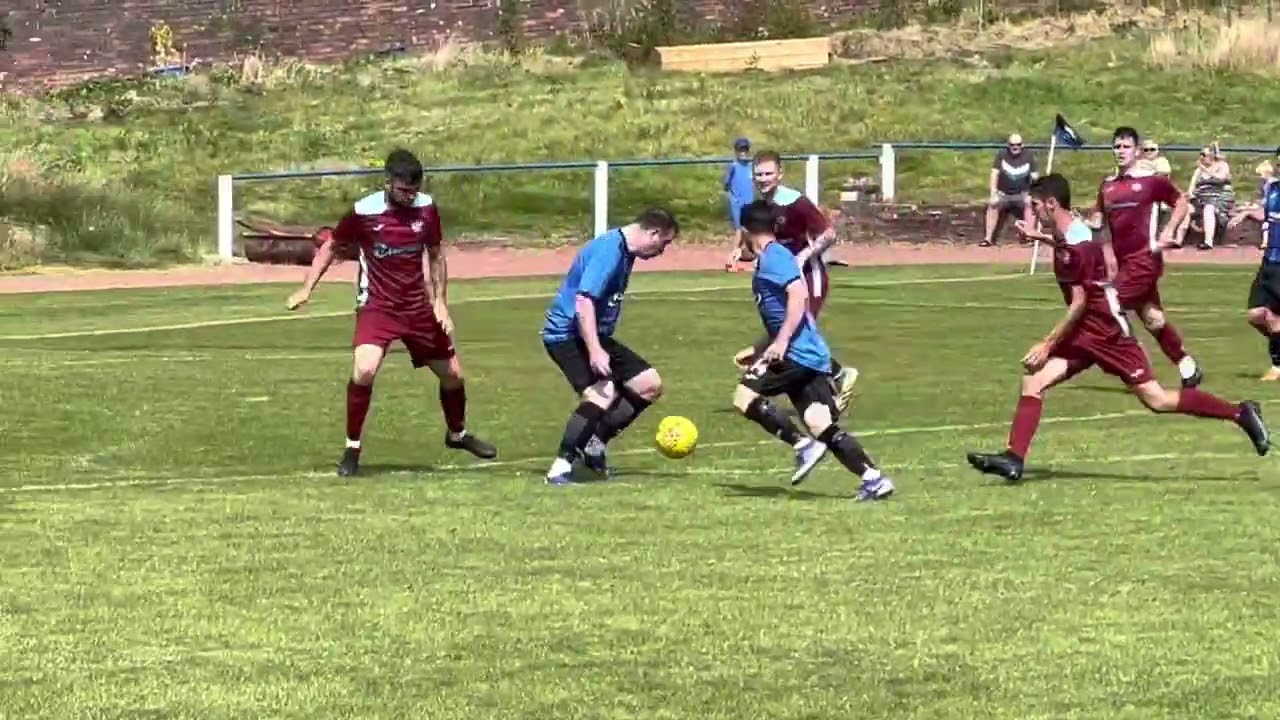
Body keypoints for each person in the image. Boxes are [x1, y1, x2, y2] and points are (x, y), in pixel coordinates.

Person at [969, 174, 1270, 483]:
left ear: (1051, 203)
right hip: (1085, 331)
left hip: (1105, 331)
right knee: (1033, 382)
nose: (1032, 211)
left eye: (1035, 206)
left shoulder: (1076, 240)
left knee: (1157, 399)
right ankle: (1014, 459)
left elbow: (1079, 301)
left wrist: (1047, 343)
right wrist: (1040, 237)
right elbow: (1075, 250)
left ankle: (1241, 413)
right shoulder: (1070, 232)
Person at [286, 149, 497, 477]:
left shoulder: (426, 209)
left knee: (453, 376)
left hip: (417, 307)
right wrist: (306, 288)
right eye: (403, 190)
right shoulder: (364, 212)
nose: (409, 196)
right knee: (364, 370)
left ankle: (457, 435)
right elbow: (331, 246)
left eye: (414, 190)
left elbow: (436, 255)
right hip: (378, 306)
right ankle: (352, 448)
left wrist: (440, 302)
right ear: (388, 183)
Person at [731, 200, 894, 500]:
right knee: (819, 422)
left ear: (746, 230)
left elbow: (798, 296)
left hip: (795, 354)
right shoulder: (772, 258)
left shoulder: (775, 257)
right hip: (810, 355)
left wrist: (781, 343)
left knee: (744, 397)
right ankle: (874, 478)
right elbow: (779, 314)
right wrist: (759, 347)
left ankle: (801, 445)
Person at [541, 208, 680, 485]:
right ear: (653, 234)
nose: (661, 252)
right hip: (567, 335)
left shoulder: (624, 250)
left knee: (648, 384)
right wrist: (594, 350)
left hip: (592, 334)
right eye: (664, 244)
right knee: (602, 393)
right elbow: (584, 301)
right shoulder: (609, 251)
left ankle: (594, 444)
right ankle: (560, 467)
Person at [1087, 126, 1205, 389]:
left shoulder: (1152, 181)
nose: (1120, 151)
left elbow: (1181, 202)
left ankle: (1136, 368)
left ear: (1137, 151)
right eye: (1117, 146)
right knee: (1153, 319)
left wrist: (1169, 230)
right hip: (1124, 264)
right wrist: (1086, 229)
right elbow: (1098, 221)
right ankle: (1188, 366)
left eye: (1126, 147)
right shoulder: (1107, 185)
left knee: (1109, 304)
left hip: (1145, 260)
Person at [748, 150, 858, 413]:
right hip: (785, 278)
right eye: (759, 174)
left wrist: (803, 257)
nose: (763, 179)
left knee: (797, 330)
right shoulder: (762, 206)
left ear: (780, 174)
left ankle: (833, 379)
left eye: (768, 173)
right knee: (788, 329)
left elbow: (828, 234)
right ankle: (828, 385)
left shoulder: (796, 203)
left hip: (809, 276)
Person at [1227, 158, 1280, 381]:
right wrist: (1246, 213)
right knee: (1256, 314)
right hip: (1269, 261)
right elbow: (1266, 214)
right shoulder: (1273, 188)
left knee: (1274, 316)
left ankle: (1277, 365)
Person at [980, 133, 1038, 247]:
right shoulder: (1002, 155)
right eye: (1012, 145)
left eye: (1018, 145)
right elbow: (994, 173)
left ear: (1022, 145)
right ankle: (988, 239)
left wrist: (1034, 193)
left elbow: (1035, 176)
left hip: (1022, 194)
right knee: (993, 204)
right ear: (1008, 145)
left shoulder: (1029, 156)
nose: (1015, 147)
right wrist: (993, 193)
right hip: (1003, 194)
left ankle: (1029, 236)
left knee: (1030, 203)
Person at [722, 137, 757, 271]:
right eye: (740, 150)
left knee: (748, 231)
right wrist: (733, 198)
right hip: (738, 204)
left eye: (745, 150)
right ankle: (731, 261)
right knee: (740, 230)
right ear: (736, 151)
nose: (743, 153)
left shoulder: (751, 166)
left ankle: (742, 256)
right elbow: (726, 185)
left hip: (750, 203)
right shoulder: (734, 166)